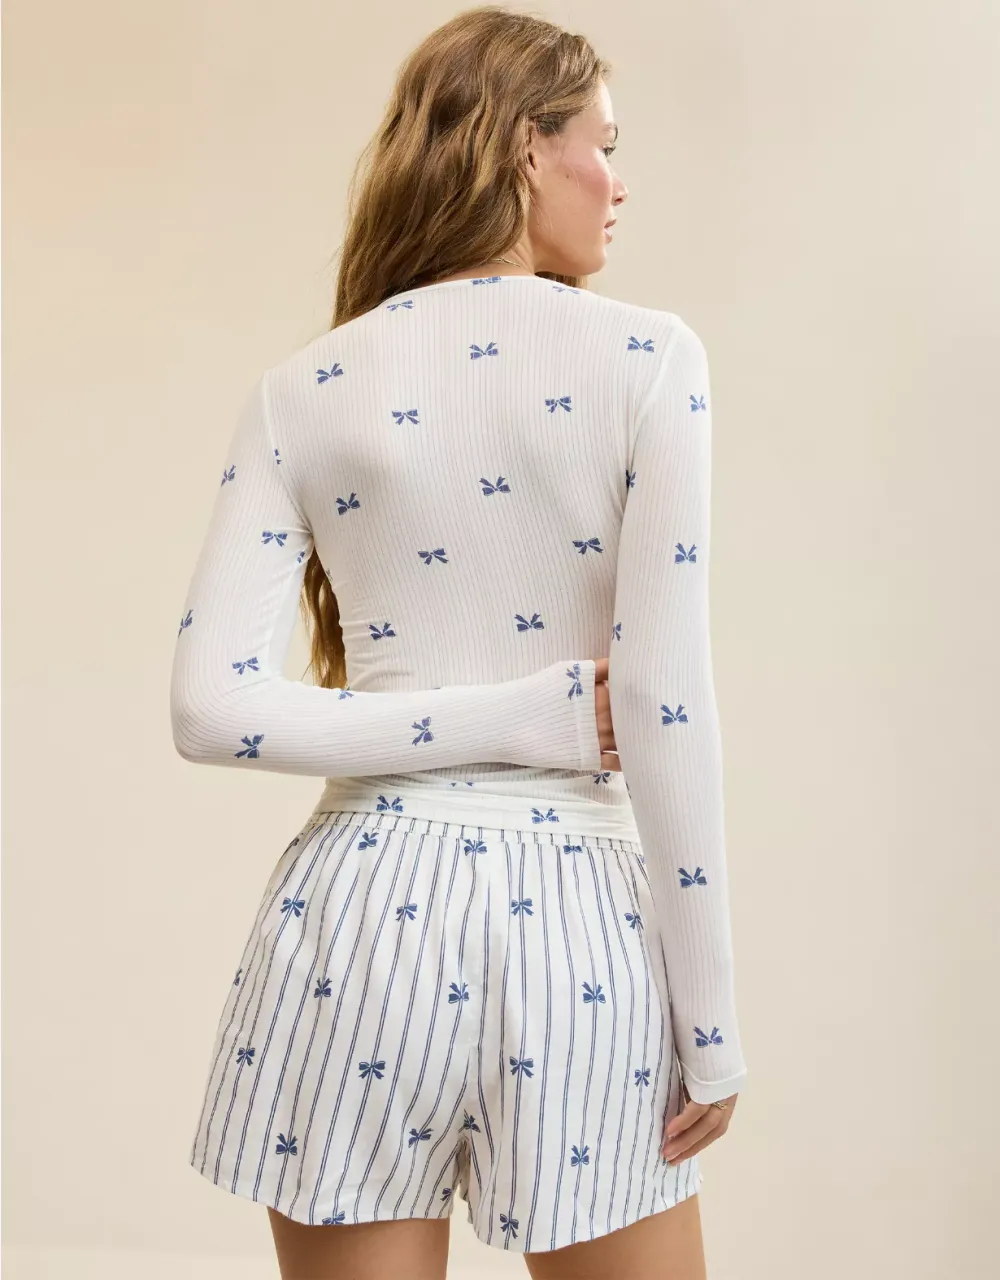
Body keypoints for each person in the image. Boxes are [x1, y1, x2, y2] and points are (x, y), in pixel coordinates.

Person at [170, 7, 747, 1278]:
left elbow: (210, 706)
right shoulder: (650, 358)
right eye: (602, 143)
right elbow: (662, 701)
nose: (618, 181)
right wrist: (710, 1021)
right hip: (579, 927)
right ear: (525, 147)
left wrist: (491, 714)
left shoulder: (303, 386)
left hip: (359, 922)